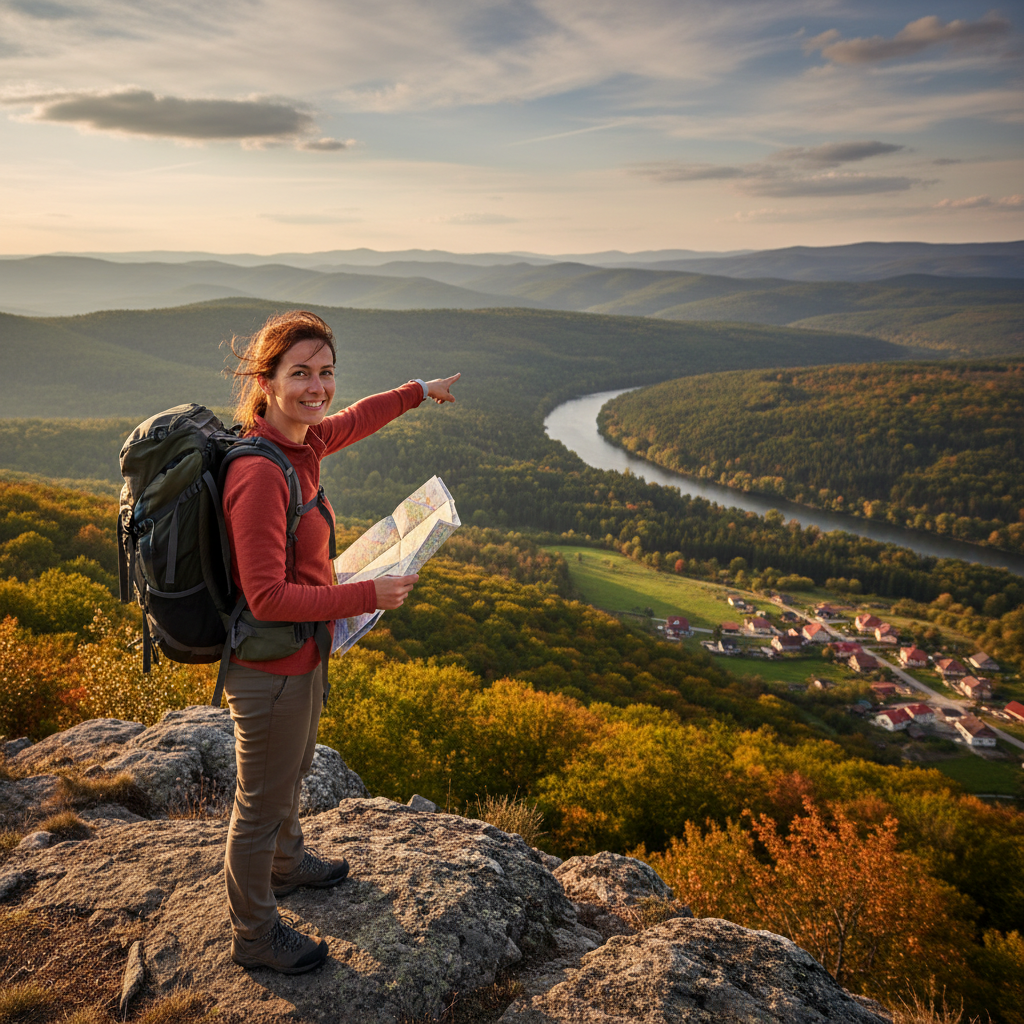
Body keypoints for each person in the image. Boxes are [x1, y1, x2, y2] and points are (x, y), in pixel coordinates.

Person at [221, 309, 459, 974]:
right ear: (266, 382)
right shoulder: (260, 473)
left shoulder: (303, 447)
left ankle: (289, 864)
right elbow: (265, 595)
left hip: (303, 653)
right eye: (300, 374)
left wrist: (418, 389)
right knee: (259, 804)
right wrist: (365, 594)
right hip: (267, 666)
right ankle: (254, 935)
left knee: (292, 772)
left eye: (325, 372)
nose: (317, 387)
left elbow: (354, 418)